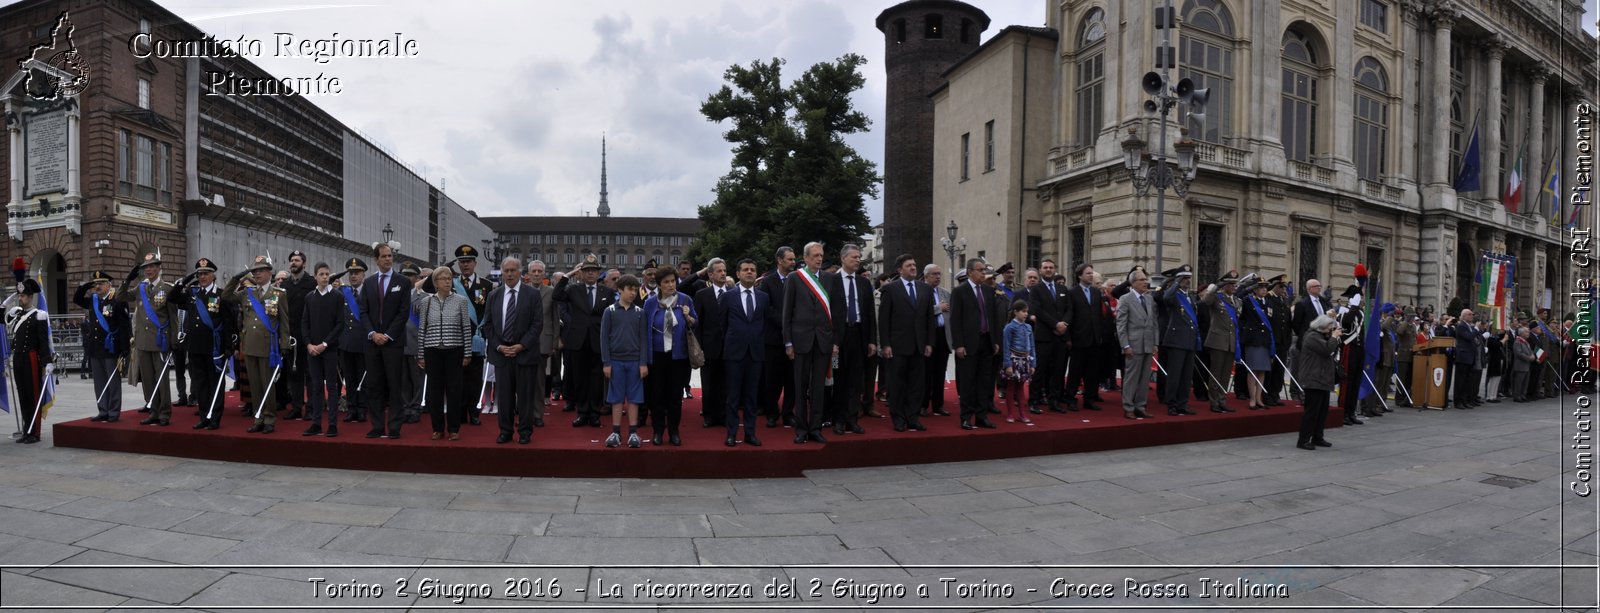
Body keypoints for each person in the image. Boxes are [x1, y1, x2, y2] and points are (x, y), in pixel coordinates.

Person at [227, 255, 292, 434]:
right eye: (255, 271)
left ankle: (270, 418)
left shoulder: (279, 294)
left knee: (267, 385)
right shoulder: (247, 293)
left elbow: (285, 322)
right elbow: (226, 297)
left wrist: (285, 344)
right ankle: (258, 417)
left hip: (268, 347)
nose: (257, 274)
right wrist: (236, 278)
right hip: (249, 345)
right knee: (254, 385)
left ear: (270, 273)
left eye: (261, 271)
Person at [555, 255, 617, 428]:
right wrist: (569, 274)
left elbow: (613, 316)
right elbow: (556, 295)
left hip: (598, 341)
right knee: (580, 379)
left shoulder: (608, 292)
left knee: (597, 380)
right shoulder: (573, 289)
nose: (590, 274)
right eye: (587, 270)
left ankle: (595, 413)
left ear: (598, 273)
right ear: (581, 273)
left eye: (594, 270)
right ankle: (582, 413)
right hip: (578, 341)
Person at [414, 266, 474, 441]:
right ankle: (437, 428)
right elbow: (422, 329)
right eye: (443, 279)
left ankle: (454, 428)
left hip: (454, 350)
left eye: (449, 278)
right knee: (434, 391)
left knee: (454, 390)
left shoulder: (461, 301)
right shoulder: (427, 302)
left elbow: (466, 328)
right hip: (432, 351)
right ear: (435, 283)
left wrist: (467, 353)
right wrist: (421, 354)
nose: (447, 281)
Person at [784, 242, 834, 444]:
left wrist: (834, 339)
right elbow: (787, 312)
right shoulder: (795, 278)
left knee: (818, 387)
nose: (819, 259)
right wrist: (788, 342)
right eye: (815, 256)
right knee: (800, 385)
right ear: (805, 258)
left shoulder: (830, 279)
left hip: (822, 340)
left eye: (821, 255)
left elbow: (835, 311)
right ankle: (801, 429)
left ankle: (815, 427)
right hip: (800, 340)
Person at [360, 243, 411, 439]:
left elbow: (403, 312)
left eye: (390, 255)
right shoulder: (370, 282)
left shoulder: (403, 282)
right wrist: (373, 333)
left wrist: (387, 335)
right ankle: (378, 425)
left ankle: (395, 426)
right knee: (374, 385)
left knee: (395, 385)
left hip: (393, 342)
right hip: (372, 343)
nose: (388, 259)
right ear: (376, 259)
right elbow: (363, 311)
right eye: (384, 256)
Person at [879, 254, 934, 433]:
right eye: (909, 265)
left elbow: (929, 319)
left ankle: (913, 417)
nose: (913, 267)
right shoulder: (890, 289)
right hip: (897, 346)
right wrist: (885, 344)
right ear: (899, 269)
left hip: (919, 346)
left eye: (914, 264)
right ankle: (898, 418)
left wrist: (929, 343)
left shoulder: (925, 289)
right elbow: (884, 320)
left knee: (916, 385)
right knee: (897, 385)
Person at [643, 265, 697, 446]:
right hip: (657, 356)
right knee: (657, 395)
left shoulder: (685, 299)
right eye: (666, 282)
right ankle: (658, 431)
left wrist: (689, 317)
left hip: (678, 356)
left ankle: (674, 431)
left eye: (673, 281)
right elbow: (644, 330)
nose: (670, 285)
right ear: (659, 285)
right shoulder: (650, 303)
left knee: (675, 396)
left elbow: (695, 323)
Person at [120, 252, 177, 424]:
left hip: (161, 341)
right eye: (146, 267)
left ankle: (165, 412)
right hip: (143, 341)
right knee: (147, 379)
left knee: (162, 379)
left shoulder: (167, 288)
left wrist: (174, 341)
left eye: (152, 266)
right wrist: (127, 280)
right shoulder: (140, 288)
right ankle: (153, 410)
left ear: (159, 268)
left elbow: (173, 318)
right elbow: (121, 297)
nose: (149, 270)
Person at [825, 245, 875, 435]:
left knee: (856, 380)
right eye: (854, 257)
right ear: (843, 258)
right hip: (838, 341)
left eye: (859, 257)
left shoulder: (863, 284)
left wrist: (871, 340)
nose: (858, 260)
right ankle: (838, 419)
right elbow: (827, 313)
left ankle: (852, 419)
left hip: (859, 337)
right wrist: (832, 341)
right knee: (838, 379)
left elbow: (870, 313)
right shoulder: (832, 281)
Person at [721, 259, 768, 446]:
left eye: (753, 270)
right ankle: (731, 433)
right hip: (734, 353)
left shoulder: (763, 297)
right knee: (733, 397)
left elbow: (764, 324)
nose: (749, 272)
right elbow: (722, 324)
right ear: (738, 274)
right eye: (746, 270)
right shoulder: (728, 296)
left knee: (751, 397)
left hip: (755, 353)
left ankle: (750, 433)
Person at [951, 258, 1000, 430]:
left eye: (984, 269)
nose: (983, 273)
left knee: (984, 381)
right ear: (970, 272)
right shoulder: (960, 291)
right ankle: (966, 417)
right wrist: (958, 344)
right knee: (967, 382)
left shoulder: (988, 291)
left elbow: (992, 318)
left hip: (986, 342)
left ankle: (981, 416)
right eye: (980, 270)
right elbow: (955, 320)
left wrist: (994, 341)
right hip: (968, 344)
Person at [75, 270, 130, 424]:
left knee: (112, 382)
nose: (98, 286)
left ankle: (113, 411)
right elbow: (77, 299)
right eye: (96, 284)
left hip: (111, 348)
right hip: (95, 348)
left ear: (109, 284)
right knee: (99, 382)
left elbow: (125, 326)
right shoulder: (93, 300)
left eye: (101, 283)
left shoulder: (117, 301)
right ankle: (102, 410)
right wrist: (85, 286)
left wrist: (125, 349)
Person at [600, 274, 649, 448]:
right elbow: (604, 338)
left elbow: (644, 339)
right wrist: (606, 362)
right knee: (616, 398)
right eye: (630, 289)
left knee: (635, 398)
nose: (633, 293)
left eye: (635, 290)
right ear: (620, 290)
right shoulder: (610, 311)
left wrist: (643, 363)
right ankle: (615, 432)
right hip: (616, 361)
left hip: (635, 361)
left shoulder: (640, 312)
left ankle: (633, 433)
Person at [452, 245, 494, 426]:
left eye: (468, 261)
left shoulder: (486, 285)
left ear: (475, 263)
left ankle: (474, 411)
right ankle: (460, 412)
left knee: (474, 378)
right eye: (462, 262)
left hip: (476, 337)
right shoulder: (452, 284)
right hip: (456, 337)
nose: (465, 265)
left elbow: (490, 312)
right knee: (458, 377)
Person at [300, 262, 343, 436]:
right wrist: (309, 344)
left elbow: (340, 324)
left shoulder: (337, 297)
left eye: (327, 274)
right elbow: (305, 323)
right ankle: (316, 423)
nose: (325, 277)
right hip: (313, 351)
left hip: (329, 350)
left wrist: (325, 344)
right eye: (322, 274)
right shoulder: (310, 297)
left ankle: (332, 424)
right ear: (315, 276)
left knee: (331, 387)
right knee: (316, 387)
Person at [7, 277, 51, 444]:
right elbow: (1, 321)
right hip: (18, 357)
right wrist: (5, 305)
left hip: (31, 358)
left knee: (33, 395)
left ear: (30, 297)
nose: (20, 298)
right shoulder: (17, 314)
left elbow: (43, 342)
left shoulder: (39, 315)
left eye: (23, 296)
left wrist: (47, 362)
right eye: (19, 296)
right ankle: (27, 429)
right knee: (22, 395)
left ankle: (35, 432)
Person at [760, 246, 797, 427]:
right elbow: (767, 308)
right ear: (779, 260)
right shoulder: (768, 281)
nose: (793, 262)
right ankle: (772, 413)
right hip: (774, 339)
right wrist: (786, 324)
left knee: (791, 380)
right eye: (789, 259)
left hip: (795, 339)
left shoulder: (798, 279)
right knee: (772, 379)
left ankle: (788, 413)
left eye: (793, 259)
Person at [1028, 259, 1070, 413]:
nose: (1048, 270)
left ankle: (1054, 401)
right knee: (1040, 371)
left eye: (1051, 267)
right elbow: (1037, 310)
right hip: (1044, 336)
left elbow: (1069, 309)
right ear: (1040, 270)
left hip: (1060, 337)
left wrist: (1064, 323)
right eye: (1045, 267)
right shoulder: (1036, 289)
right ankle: (1033, 400)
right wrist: (1055, 325)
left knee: (1058, 371)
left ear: (1055, 270)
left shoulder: (1063, 288)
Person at [1158, 265, 1201, 416]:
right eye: (1184, 278)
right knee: (1174, 375)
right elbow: (1165, 297)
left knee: (1186, 376)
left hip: (1189, 340)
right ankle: (1171, 404)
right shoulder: (1174, 295)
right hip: (1176, 340)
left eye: (1188, 278)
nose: (1187, 281)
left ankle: (1182, 403)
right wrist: (1176, 283)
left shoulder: (1191, 297)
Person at [279, 250, 317, 421]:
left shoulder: (311, 283)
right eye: (292, 260)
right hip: (291, 336)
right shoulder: (285, 285)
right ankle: (296, 407)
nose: (294, 263)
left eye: (297, 260)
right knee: (294, 375)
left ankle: (311, 408)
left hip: (308, 337)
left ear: (304, 263)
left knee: (310, 375)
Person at [1115, 267, 1156, 420]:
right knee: (1131, 378)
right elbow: (1121, 324)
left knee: (1145, 378)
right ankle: (1128, 407)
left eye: (1146, 279)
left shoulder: (1149, 299)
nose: (1146, 282)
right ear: (1133, 283)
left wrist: (1155, 343)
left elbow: (1154, 323)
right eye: (1142, 280)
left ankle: (1140, 406)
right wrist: (1125, 345)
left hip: (1148, 344)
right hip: (1133, 345)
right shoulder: (1125, 299)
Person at [694, 258, 730, 429]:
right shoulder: (702, 295)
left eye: (724, 270)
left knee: (725, 383)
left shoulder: (732, 292)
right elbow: (697, 324)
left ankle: (723, 414)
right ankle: (709, 414)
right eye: (719, 271)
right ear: (710, 274)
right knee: (708, 382)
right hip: (708, 347)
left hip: (729, 347)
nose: (723, 273)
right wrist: (699, 346)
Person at [1296, 314, 1341, 451]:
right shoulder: (1312, 337)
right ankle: (1303, 440)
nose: (1330, 329)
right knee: (1312, 411)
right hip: (1313, 379)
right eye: (1329, 327)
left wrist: (1334, 336)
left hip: (1322, 379)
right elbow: (1327, 350)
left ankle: (1317, 437)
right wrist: (1334, 337)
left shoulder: (1321, 336)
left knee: (1322, 411)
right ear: (1321, 326)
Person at [1198, 271, 1241, 413]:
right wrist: (1217, 286)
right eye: (1231, 284)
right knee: (1216, 373)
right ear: (1225, 285)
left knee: (1226, 374)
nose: (1234, 287)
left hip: (1230, 341)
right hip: (1217, 341)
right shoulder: (1217, 298)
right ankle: (1214, 401)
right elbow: (1205, 300)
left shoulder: (1236, 300)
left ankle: (1222, 400)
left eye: (1235, 284)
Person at [335, 258, 368, 431]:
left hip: (363, 342)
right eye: (351, 273)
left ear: (364, 274)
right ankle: (352, 407)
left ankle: (362, 408)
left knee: (362, 377)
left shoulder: (369, 292)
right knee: (350, 377)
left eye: (357, 272)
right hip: (346, 342)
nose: (353, 276)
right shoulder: (342, 292)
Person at [1289, 279, 1333, 402]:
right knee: (1299, 368)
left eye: (1320, 286)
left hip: (1321, 342)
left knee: (1314, 370)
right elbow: (1296, 324)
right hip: (1306, 342)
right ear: (1309, 289)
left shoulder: (1324, 302)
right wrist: (1305, 337)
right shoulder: (1302, 304)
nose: (1319, 288)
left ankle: (1308, 392)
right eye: (1316, 286)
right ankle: (1295, 391)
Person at [1237, 275, 1274, 411]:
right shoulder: (1248, 301)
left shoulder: (1268, 302)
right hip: (1253, 340)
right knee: (1252, 370)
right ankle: (1252, 399)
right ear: (1255, 289)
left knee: (1262, 370)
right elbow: (1238, 297)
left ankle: (1259, 398)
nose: (1264, 290)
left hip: (1264, 340)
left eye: (1265, 287)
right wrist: (1248, 287)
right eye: (1260, 287)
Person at [528, 260, 557, 420]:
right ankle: (525, 414)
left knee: (539, 382)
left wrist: (554, 342)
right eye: (534, 271)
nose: (537, 274)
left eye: (540, 271)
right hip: (524, 343)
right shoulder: (523, 291)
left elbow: (555, 318)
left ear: (544, 274)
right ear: (529, 273)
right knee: (524, 382)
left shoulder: (551, 292)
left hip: (543, 342)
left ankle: (537, 415)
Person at [923, 264, 952, 417]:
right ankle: (923, 404)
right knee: (926, 373)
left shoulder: (945, 293)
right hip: (929, 336)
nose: (938, 277)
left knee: (940, 372)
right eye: (934, 274)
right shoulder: (921, 291)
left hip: (943, 336)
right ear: (926, 276)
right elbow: (919, 313)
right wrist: (938, 308)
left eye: (939, 274)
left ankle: (938, 405)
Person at [1000, 299, 1035, 424]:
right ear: (1015, 312)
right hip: (1013, 360)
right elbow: (1006, 347)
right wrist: (1007, 365)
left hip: (1025, 361)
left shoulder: (1028, 327)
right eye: (1023, 311)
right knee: (1011, 388)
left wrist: (1032, 363)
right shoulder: (1009, 327)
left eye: (1027, 312)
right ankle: (1010, 414)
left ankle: (1022, 414)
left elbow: (1032, 346)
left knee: (1021, 388)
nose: (1026, 314)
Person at [400, 263, 426, 424]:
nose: (406, 278)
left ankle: (415, 407)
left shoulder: (424, 297)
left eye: (410, 275)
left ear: (417, 278)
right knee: (403, 379)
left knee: (417, 380)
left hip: (417, 344)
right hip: (400, 344)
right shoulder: (396, 295)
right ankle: (405, 407)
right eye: (404, 275)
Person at [1264, 275, 1293, 406]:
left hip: (1282, 342)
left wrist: (1287, 340)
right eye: (1280, 287)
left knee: (1279, 370)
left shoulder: (1284, 301)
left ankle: (1275, 394)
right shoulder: (1268, 300)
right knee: (1269, 370)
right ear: (1274, 287)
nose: (1282, 289)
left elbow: (1287, 323)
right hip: (1272, 341)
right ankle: (1267, 395)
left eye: (1283, 287)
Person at [1450, 309, 1480, 410]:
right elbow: (1468, 337)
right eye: (1469, 314)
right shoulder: (1461, 326)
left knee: (1467, 380)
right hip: (1463, 357)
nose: (1472, 316)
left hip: (1470, 356)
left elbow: (1472, 339)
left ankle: (1464, 400)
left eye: (1472, 314)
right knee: (1460, 380)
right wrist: (1476, 329)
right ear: (1463, 316)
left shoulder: (1469, 326)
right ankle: (1458, 401)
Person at [1510, 327, 1533, 402]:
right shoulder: (1518, 342)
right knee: (1519, 382)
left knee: (1525, 382)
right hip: (1520, 365)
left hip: (1526, 365)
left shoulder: (1525, 341)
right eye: (1526, 332)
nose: (1528, 333)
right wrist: (1529, 357)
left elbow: (1530, 351)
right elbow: (1519, 353)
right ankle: (1517, 396)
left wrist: (1533, 355)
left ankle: (1523, 395)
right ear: (1521, 333)